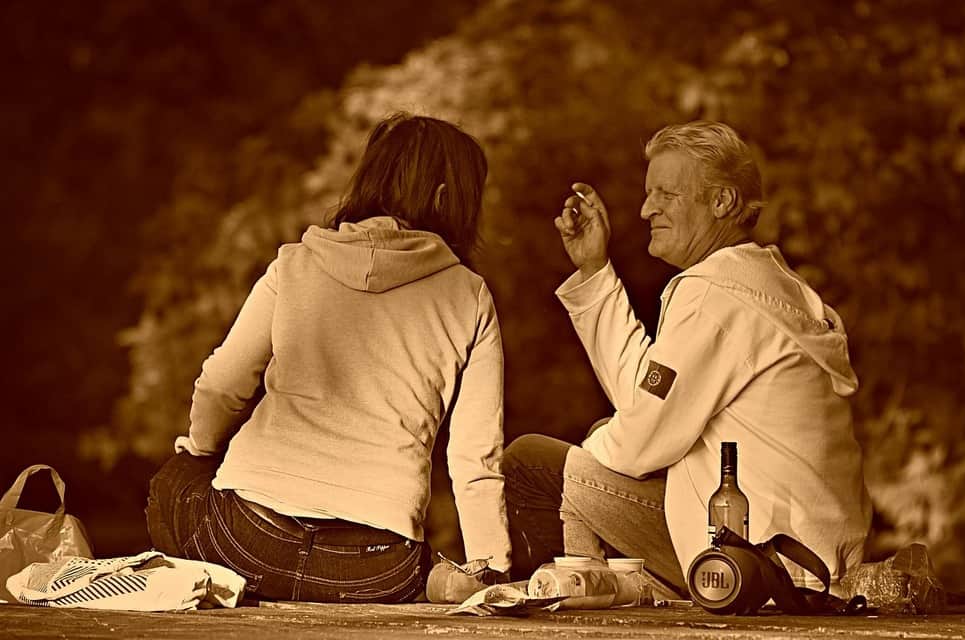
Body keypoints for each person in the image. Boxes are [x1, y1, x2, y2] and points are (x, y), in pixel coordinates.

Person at [146, 113, 511, 603]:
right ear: (447, 200)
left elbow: (220, 386)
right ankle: (434, 579)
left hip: (245, 544)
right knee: (407, 559)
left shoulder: (296, 263)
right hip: (375, 568)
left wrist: (203, 451)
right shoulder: (469, 297)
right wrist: (493, 569)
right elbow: (475, 456)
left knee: (176, 478)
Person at [502, 121, 872, 594]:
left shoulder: (715, 294)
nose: (644, 209)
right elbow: (647, 401)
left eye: (666, 194)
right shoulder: (769, 284)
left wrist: (585, 464)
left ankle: (567, 618)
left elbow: (639, 438)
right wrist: (595, 270)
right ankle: (597, 591)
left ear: (721, 202)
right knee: (600, 443)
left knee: (529, 464)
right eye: (647, 193)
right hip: (806, 561)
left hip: (756, 567)